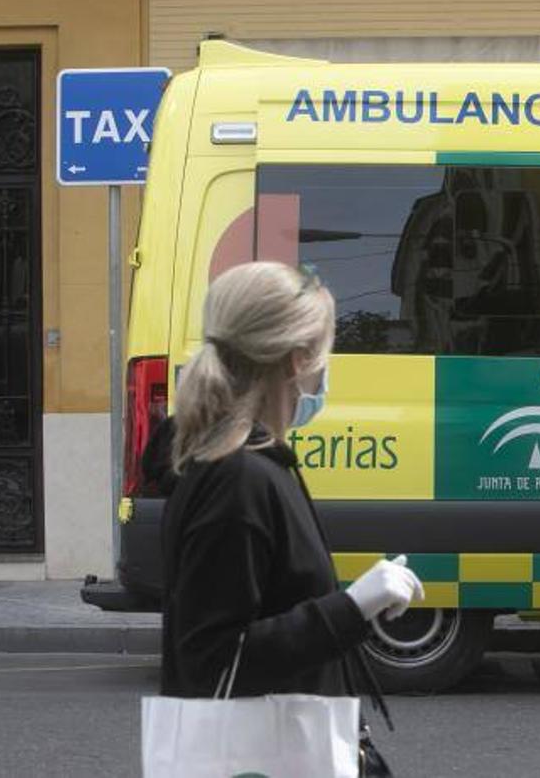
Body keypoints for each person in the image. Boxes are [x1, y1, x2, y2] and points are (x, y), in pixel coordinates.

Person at [160, 261, 425, 710]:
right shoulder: (238, 479)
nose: (326, 369)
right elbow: (212, 663)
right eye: (326, 350)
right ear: (298, 359)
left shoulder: (259, 463)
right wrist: (352, 607)